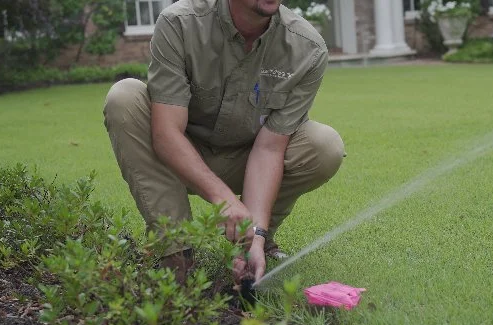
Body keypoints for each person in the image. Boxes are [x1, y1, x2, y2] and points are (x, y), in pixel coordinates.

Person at [102, 0, 345, 286]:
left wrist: (255, 232)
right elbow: (166, 134)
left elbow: (269, 149)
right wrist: (223, 199)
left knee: (324, 145)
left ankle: (250, 246)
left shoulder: (307, 48)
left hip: (244, 160)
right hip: (177, 157)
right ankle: (177, 254)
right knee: (125, 97)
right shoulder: (180, 23)